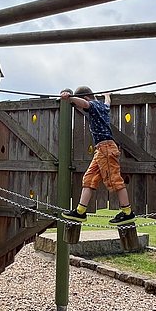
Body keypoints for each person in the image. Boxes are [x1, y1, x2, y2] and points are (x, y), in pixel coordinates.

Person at [60, 86, 136, 226]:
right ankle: (80, 211)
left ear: (86, 98)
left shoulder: (93, 105)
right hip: (101, 150)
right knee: (89, 178)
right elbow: (108, 102)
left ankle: (127, 212)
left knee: (115, 180)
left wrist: (69, 97)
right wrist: (107, 94)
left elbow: (84, 104)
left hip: (106, 149)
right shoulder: (103, 106)